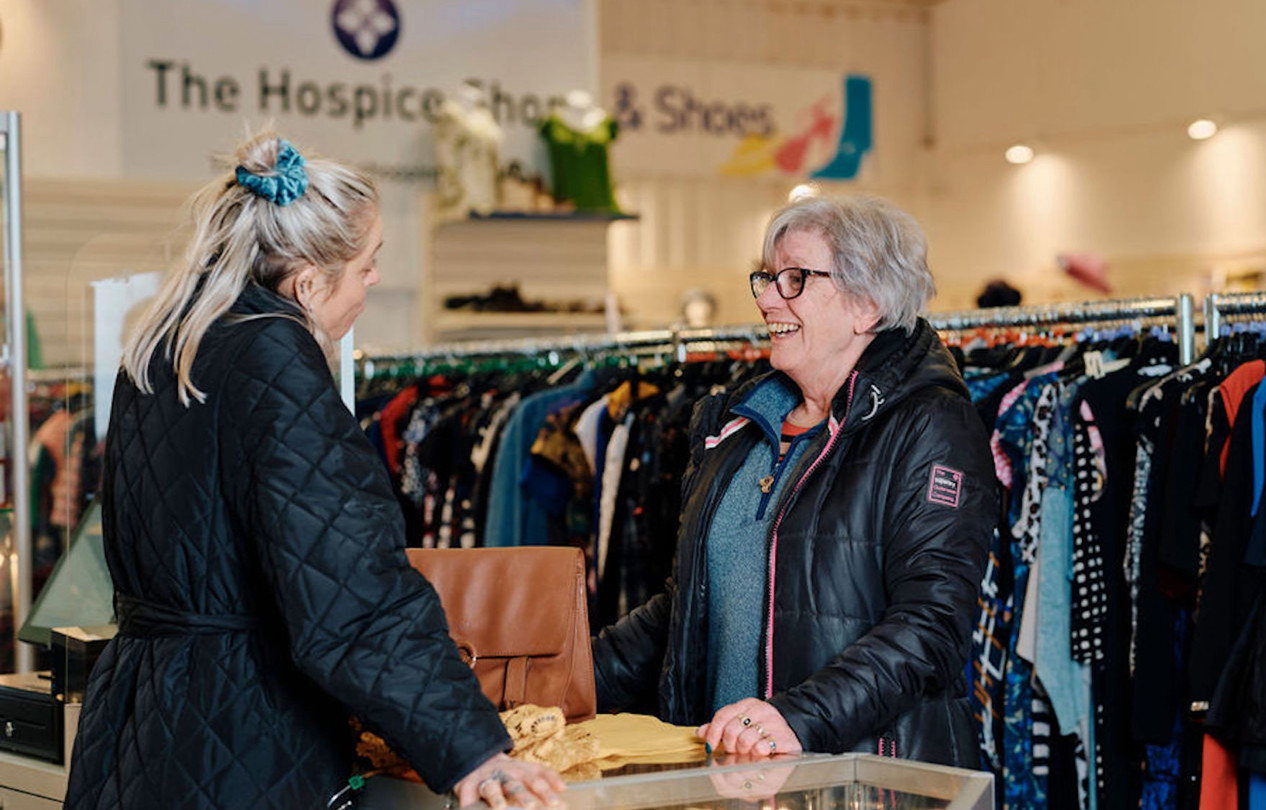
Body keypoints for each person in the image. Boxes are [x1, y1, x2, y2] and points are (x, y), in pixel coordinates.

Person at [64, 134, 565, 810]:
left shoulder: (165, 346)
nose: (375, 280)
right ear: (306, 281)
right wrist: (471, 749)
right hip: (243, 734)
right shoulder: (272, 357)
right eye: (367, 265)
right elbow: (351, 590)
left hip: (137, 721)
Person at [591, 193, 998, 766]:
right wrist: (569, 677)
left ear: (867, 304)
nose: (764, 298)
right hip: (732, 774)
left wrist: (800, 718)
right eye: (765, 277)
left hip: (872, 782)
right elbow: (689, 607)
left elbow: (932, 625)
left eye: (794, 279)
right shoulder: (733, 425)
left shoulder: (930, 424)